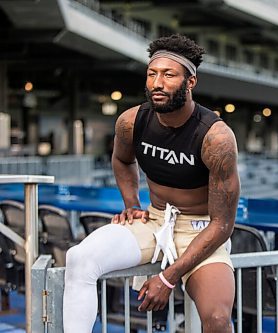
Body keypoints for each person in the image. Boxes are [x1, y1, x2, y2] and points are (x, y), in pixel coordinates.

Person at [63, 34, 240, 333]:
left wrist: (168, 278)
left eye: (169, 75)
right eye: (152, 74)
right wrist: (131, 204)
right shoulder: (132, 121)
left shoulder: (216, 138)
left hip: (201, 229)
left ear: (190, 81)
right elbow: (121, 160)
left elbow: (222, 224)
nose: (157, 83)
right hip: (154, 220)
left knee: (218, 320)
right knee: (79, 258)